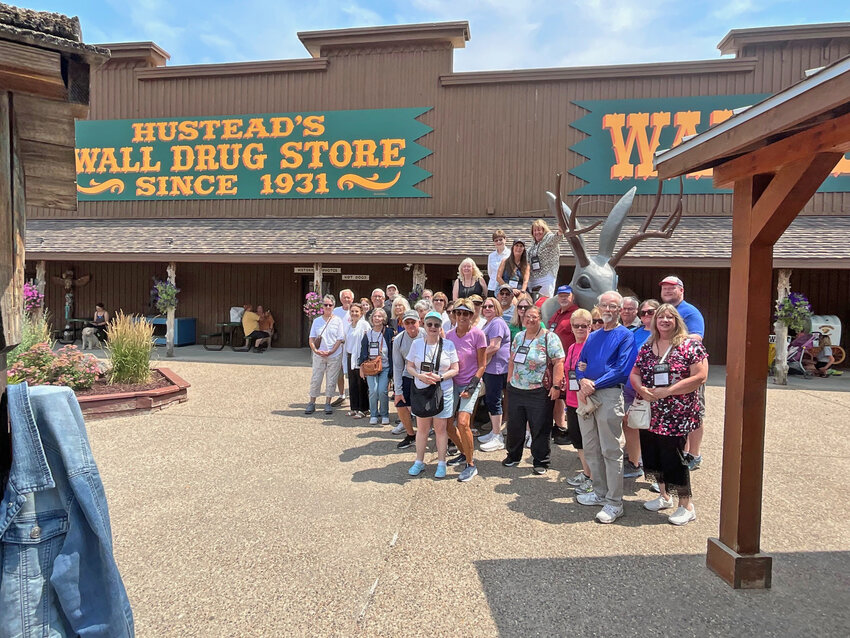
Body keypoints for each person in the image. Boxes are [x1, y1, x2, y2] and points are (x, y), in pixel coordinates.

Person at [631, 303, 708, 526]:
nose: (664, 320)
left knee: (674, 458)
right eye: (660, 317)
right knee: (653, 455)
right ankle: (664, 496)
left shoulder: (688, 346)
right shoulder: (648, 346)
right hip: (651, 412)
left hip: (677, 413)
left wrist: (669, 391)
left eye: (669, 317)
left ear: (677, 321)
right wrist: (641, 389)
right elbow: (635, 372)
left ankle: (686, 505)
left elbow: (700, 376)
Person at [575, 291, 636, 524]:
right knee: (591, 447)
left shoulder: (625, 336)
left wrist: (593, 383)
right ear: (598, 307)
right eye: (604, 305)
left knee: (611, 449)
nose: (607, 309)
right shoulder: (593, 336)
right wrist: (583, 380)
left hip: (609, 395)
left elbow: (621, 370)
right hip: (587, 394)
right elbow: (581, 364)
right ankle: (599, 493)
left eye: (612, 306)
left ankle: (614, 502)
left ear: (620, 309)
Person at [503, 305, 565, 474]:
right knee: (515, 425)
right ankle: (513, 455)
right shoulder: (519, 337)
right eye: (527, 316)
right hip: (516, 388)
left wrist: (556, 386)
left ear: (540, 319)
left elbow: (558, 362)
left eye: (534, 317)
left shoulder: (549, 338)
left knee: (540, 427)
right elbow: (511, 360)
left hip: (539, 389)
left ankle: (541, 460)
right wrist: (509, 380)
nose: (530, 320)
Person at [659, 275, 706, 471]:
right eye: (664, 289)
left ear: (681, 291)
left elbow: (697, 337)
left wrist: (671, 339)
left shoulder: (689, 312)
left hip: (689, 372)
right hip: (667, 373)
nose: (668, 291)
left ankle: (694, 454)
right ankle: (680, 452)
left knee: (695, 412)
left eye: (672, 288)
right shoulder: (663, 312)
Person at [406, 311, 460, 478]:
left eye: (436, 325)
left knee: (440, 428)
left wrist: (441, 377)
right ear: (424, 325)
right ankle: (419, 461)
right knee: (422, 428)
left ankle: (441, 463)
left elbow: (455, 369)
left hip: (442, 391)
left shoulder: (449, 345)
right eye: (429, 324)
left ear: (440, 327)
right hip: (422, 391)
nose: (433, 327)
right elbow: (409, 366)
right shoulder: (416, 344)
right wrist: (419, 375)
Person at [445, 299, 488, 482]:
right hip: (451, 383)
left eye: (466, 313)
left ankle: (471, 464)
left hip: (470, 383)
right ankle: (463, 451)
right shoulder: (448, 335)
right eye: (458, 313)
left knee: (463, 422)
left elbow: (482, 365)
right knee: (446, 424)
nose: (462, 316)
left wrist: (471, 388)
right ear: (454, 315)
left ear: (472, 316)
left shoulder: (478, 335)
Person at [622, 298, 660, 478]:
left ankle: (657, 472)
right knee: (630, 424)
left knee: (653, 431)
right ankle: (634, 462)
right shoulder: (634, 333)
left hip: (652, 391)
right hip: (630, 390)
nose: (646, 315)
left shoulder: (663, 336)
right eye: (643, 312)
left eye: (650, 312)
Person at [564, 309, 594, 494]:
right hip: (571, 399)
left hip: (587, 401)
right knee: (578, 441)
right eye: (577, 326)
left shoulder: (592, 346)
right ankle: (586, 473)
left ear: (590, 326)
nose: (581, 329)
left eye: (585, 325)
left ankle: (593, 478)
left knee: (590, 442)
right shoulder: (572, 347)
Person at [547, 285, 579, 445]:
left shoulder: (576, 314)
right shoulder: (556, 314)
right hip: (555, 363)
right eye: (561, 295)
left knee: (570, 398)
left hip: (570, 363)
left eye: (567, 295)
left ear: (572, 296)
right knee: (559, 396)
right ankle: (560, 427)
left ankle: (574, 431)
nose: (563, 298)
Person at [479, 297, 511, 452]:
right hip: (490, 367)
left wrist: (476, 358)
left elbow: (494, 346)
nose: (486, 308)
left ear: (497, 307)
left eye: (490, 306)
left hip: (497, 367)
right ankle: (494, 431)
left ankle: (497, 437)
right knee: (491, 399)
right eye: (484, 306)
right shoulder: (488, 323)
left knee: (494, 400)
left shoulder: (497, 322)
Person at [306, 294, 346, 415]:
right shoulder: (317, 321)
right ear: (322, 306)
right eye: (325, 304)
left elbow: (340, 339)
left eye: (330, 305)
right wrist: (316, 351)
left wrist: (331, 351)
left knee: (331, 379)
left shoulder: (338, 321)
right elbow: (311, 338)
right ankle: (312, 402)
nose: (328, 307)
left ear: (334, 306)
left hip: (334, 355)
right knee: (316, 378)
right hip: (319, 355)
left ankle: (328, 402)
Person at [392, 310, 424, 449]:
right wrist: (398, 391)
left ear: (419, 322)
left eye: (413, 322)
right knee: (400, 403)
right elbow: (398, 366)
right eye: (407, 322)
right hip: (408, 374)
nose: (411, 325)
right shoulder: (399, 340)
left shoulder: (427, 334)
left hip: (426, 375)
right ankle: (411, 435)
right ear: (402, 324)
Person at [359, 307, 395, 425]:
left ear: (383, 319)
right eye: (375, 316)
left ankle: (384, 414)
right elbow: (363, 351)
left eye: (380, 316)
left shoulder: (389, 332)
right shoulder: (368, 334)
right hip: (371, 366)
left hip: (385, 367)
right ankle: (374, 414)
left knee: (382, 391)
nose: (377, 318)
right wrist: (361, 367)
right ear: (371, 318)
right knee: (373, 390)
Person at [345, 302, 370, 418]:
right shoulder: (349, 326)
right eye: (352, 311)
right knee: (352, 383)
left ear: (361, 313)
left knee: (362, 383)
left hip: (361, 357)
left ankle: (363, 408)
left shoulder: (365, 325)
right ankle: (354, 407)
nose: (354, 313)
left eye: (356, 311)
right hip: (350, 356)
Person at [527, 219, 563, 298]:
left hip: (546, 276)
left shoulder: (548, 238)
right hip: (532, 278)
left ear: (544, 230)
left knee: (544, 301)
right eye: (535, 230)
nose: (537, 232)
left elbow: (556, 238)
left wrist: (560, 231)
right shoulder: (533, 244)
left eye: (539, 230)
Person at [333, 289, 355, 405]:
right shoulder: (335, 311)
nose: (346, 300)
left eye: (349, 298)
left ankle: (353, 395)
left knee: (352, 372)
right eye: (344, 297)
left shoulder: (355, 311)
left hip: (351, 347)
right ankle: (342, 395)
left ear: (352, 299)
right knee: (338, 372)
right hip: (338, 346)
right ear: (340, 299)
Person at [487, 229, 511, 297]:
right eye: (496, 240)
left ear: (505, 239)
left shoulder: (510, 254)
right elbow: (490, 273)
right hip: (492, 287)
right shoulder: (491, 256)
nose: (498, 242)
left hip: (505, 289)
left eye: (500, 239)